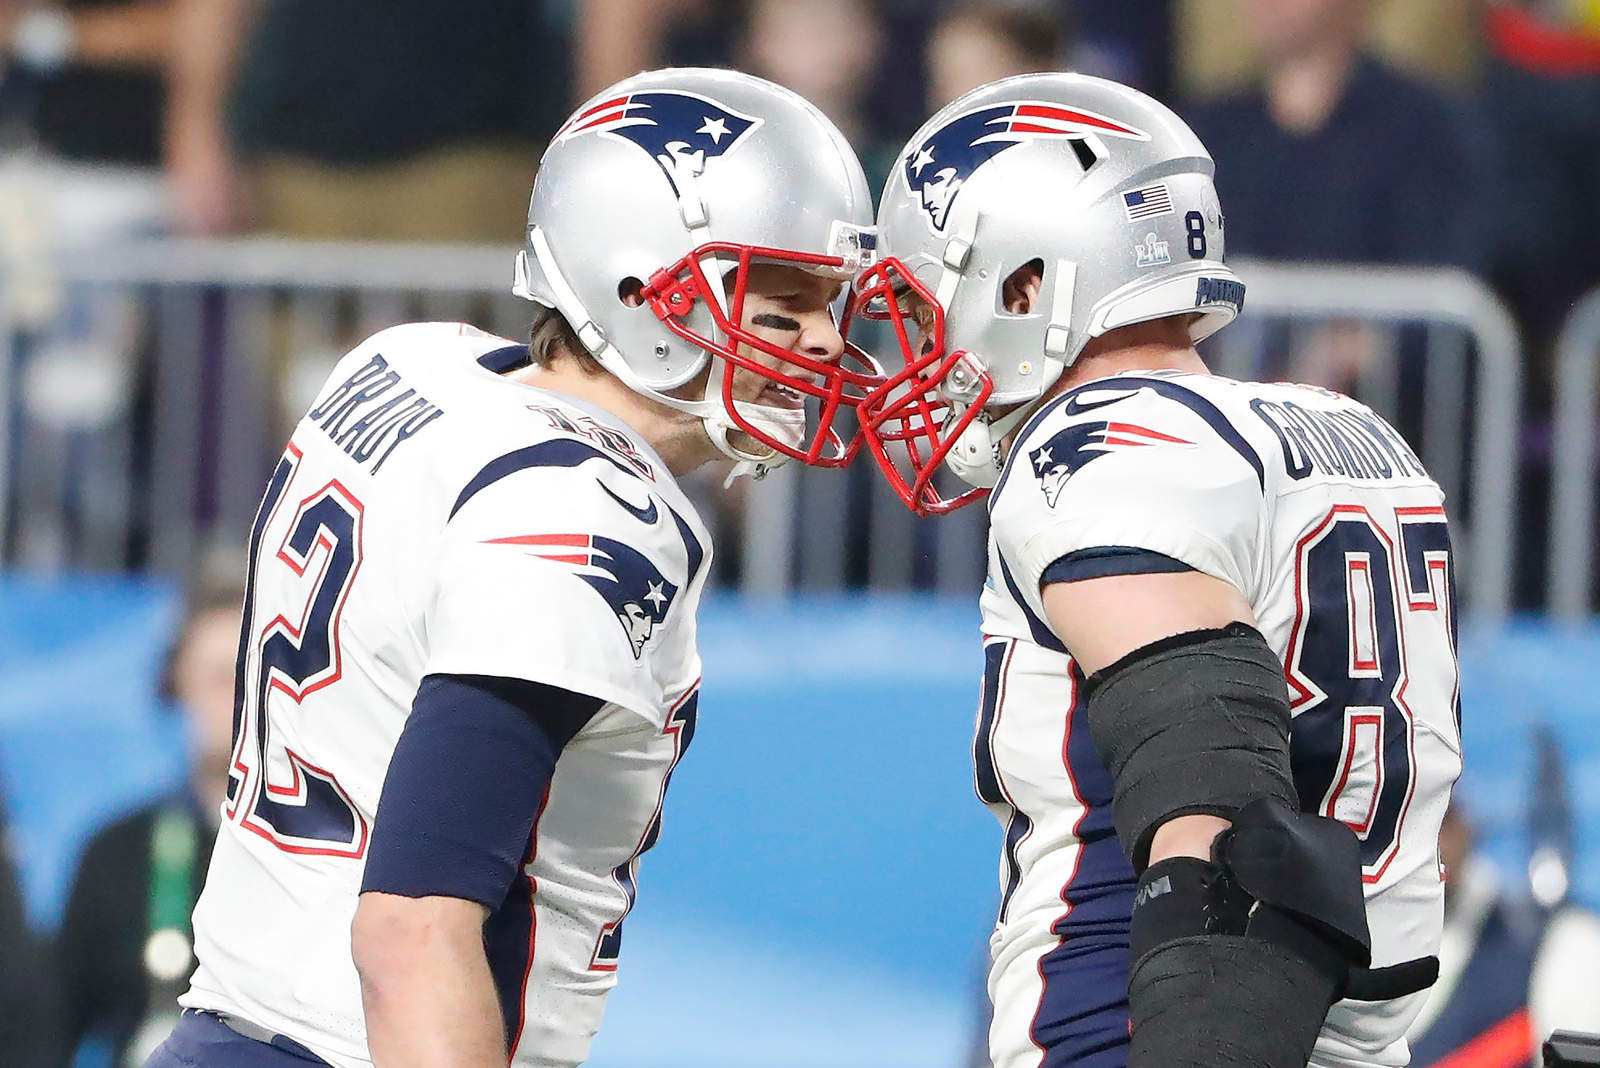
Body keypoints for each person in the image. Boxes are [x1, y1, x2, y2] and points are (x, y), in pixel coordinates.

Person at [143, 66, 879, 1067]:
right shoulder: (586, 509)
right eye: (782, 300)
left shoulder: (407, 365)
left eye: (832, 302)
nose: (827, 341)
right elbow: (412, 930)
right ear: (635, 292)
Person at [850, 72, 1460, 1066]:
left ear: (1024, 286)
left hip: (1159, 1027)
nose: (917, 350)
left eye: (926, 308)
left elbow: (1221, 806)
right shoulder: (1351, 434)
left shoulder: (1099, 445)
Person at [58, 572, 241, 1067]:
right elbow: (48, 1029)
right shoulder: (116, 855)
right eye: (221, 678)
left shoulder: (333, 857)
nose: (239, 702)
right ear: (178, 683)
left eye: (254, 679)